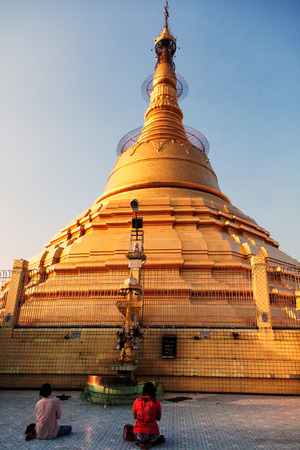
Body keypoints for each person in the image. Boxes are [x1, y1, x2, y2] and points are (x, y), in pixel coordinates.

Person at [133, 382, 165, 449]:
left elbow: (134, 416)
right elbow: (158, 418)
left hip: (139, 432)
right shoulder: (156, 402)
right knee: (159, 437)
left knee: (137, 436)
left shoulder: (137, 400)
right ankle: (150, 443)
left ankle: (141, 442)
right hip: (151, 432)